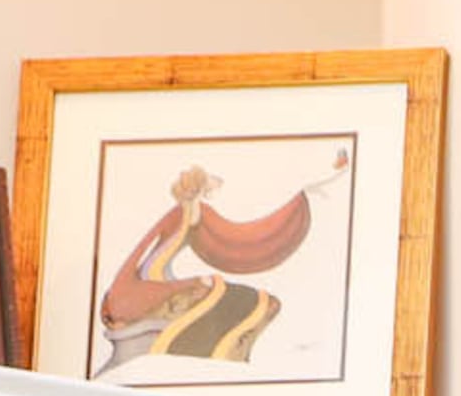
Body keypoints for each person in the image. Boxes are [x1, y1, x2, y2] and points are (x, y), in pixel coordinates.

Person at [95, 152, 349, 376]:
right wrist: (192, 283)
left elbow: (234, 239)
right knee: (238, 302)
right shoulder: (182, 217)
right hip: (135, 302)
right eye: (210, 188)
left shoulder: (188, 216)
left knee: (246, 302)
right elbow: (147, 275)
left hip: (142, 298)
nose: (214, 192)